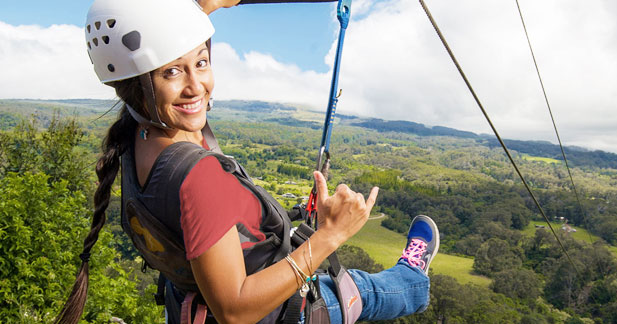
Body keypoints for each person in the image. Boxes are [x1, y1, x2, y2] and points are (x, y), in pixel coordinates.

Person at [56, 0, 439, 323]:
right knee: (366, 290)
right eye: (171, 71)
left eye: (201, 62)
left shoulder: (136, 137)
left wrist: (200, 8)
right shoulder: (199, 178)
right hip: (281, 310)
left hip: (190, 303)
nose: (196, 87)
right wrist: (332, 235)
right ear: (136, 82)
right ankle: (414, 278)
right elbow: (235, 310)